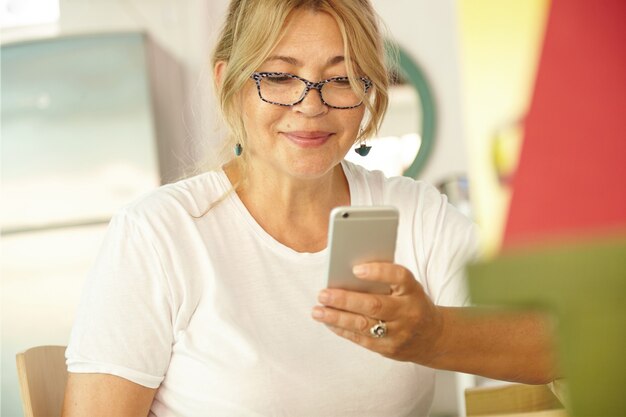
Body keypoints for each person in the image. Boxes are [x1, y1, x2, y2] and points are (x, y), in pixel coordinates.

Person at [62, 1, 557, 416]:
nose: (310, 104)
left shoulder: (415, 214)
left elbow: (559, 342)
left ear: (369, 92)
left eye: (341, 79)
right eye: (279, 76)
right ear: (227, 83)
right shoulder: (159, 233)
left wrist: (433, 335)